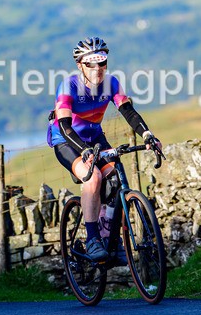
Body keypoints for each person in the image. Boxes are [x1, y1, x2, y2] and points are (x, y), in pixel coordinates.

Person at [47, 37, 162, 262]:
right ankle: (91, 240)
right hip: (67, 140)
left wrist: (147, 134)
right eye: (91, 63)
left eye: (102, 62)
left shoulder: (111, 83)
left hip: (95, 137)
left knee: (117, 181)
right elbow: (64, 125)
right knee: (93, 178)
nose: (98, 68)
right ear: (80, 65)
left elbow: (128, 111)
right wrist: (84, 150)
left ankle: (112, 239)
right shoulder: (69, 85)